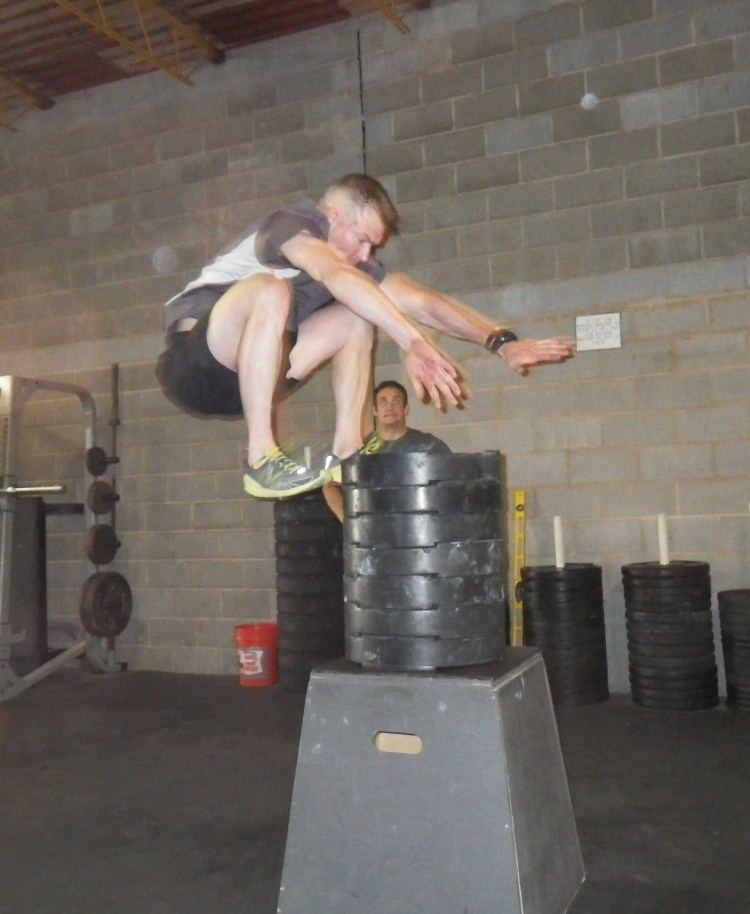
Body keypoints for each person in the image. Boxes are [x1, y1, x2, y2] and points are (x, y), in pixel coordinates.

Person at [156, 173, 574, 499]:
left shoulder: (354, 264)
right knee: (271, 289)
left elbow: (422, 302)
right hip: (195, 367)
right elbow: (334, 274)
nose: (365, 256)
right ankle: (261, 457)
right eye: (362, 241)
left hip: (256, 381)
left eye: (372, 249)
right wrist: (412, 342)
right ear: (333, 216)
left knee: (359, 316)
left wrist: (500, 342)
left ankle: (347, 453)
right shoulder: (291, 225)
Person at [322, 379, 451, 522]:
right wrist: (349, 522)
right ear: (375, 410)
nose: (390, 407)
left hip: (419, 529)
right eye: (383, 401)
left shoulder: (428, 445)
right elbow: (330, 485)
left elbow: (452, 482)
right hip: (373, 531)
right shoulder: (358, 448)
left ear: (406, 409)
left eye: (396, 401)